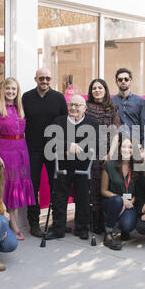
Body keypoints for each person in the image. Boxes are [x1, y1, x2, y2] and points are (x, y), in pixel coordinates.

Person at [44, 95, 99, 240]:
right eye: (71, 104)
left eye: (78, 105)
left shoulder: (92, 123)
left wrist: (71, 149)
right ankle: (58, 228)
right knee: (59, 196)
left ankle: (81, 227)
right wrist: (69, 146)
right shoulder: (58, 121)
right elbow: (50, 142)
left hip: (83, 166)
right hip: (62, 165)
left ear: (85, 108)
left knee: (83, 197)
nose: (74, 108)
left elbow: (94, 144)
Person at [22, 68, 68, 237]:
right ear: (36, 79)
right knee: (33, 187)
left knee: (56, 185)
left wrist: (64, 146)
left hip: (54, 150)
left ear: (51, 79)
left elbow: (66, 123)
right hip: (32, 149)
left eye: (47, 78)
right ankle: (34, 223)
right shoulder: (26, 97)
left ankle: (58, 222)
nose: (45, 81)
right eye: (41, 78)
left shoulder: (58, 98)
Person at [0, 77, 35, 241]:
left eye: (14, 89)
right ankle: (7, 225)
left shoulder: (20, 107)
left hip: (21, 148)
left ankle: (13, 225)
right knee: (6, 187)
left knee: (16, 189)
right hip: (6, 150)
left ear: (17, 91)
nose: (10, 92)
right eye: (8, 88)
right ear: (3, 90)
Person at [85, 78, 121, 234]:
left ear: (105, 90)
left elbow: (115, 134)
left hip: (106, 152)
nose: (97, 90)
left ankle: (107, 219)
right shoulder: (86, 107)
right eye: (94, 88)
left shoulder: (112, 108)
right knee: (91, 187)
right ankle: (93, 222)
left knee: (104, 186)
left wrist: (110, 154)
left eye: (100, 87)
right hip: (89, 153)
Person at [100, 135, 137, 250]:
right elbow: (103, 191)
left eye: (130, 147)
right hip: (112, 202)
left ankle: (124, 229)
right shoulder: (109, 165)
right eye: (124, 147)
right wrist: (121, 199)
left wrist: (130, 202)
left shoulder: (137, 167)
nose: (126, 149)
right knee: (117, 200)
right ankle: (108, 234)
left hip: (130, 204)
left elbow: (139, 192)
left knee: (127, 226)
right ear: (119, 149)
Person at [112, 68, 145, 150]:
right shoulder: (111, 102)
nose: (123, 81)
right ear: (116, 82)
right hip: (117, 146)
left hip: (136, 146)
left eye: (126, 79)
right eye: (120, 79)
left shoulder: (140, 102)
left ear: (131, 81)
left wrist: (144, 147)